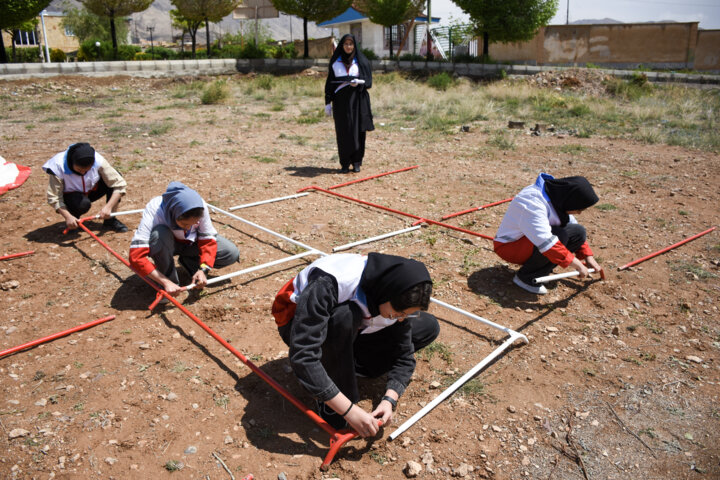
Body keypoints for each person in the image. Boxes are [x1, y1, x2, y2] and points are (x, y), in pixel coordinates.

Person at [271, 253, 439, 437]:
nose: (401, 319)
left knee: (427, 326)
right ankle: (332, 380)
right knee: (346, 316)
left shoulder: (394, 292)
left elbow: (404, 355)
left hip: (357, 324)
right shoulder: (328, 283)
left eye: (406, 314)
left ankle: (353, 364)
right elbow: (303, 356)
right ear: (386, 293)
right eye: (398, 313)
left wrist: (389, 399)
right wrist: (348, 410)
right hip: (298, 323)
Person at [493, 173, 603, 294]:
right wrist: (576, 264)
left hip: (529, 243)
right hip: (509, 247)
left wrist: (588, 256)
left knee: (578, 232)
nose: (579, 213)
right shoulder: (532, 202)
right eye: (579, 209)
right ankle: (526, 278)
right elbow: (546, 242)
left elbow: (573, 228)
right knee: (559, 235)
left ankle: (539, 270)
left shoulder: (557, 198)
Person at [129, 181, 239, 297]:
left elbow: (207, 241)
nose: (189, 227)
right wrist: (165, 282)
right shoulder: (155, 210)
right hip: (165, 244)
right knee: (159, 234)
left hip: (191, 244)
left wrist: (203, 269)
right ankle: (169, 284)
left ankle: (190, 264)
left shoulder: (199, 206)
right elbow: (136, 257)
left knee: (230, 252)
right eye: (185, 224)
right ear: (174, 214)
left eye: (194, 224)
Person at [42, 142, 128, 232]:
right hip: (71, 197)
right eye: (79, 169)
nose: (83, 173)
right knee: (82, 204)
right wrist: (68, 216)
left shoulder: (98, 160)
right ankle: (74, 220)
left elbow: (119, 183)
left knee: (114, 178)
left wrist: (108, 207)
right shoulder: (58, 166)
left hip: (92, 190)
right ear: (72, 162)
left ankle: (110, 220)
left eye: (87, 170)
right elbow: (54, 197)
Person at [324, 34, 374, 174]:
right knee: (343, 132)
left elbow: (368, 81)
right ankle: (345, 163)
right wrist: (328, 102)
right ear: (342, 45)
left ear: (354, 46)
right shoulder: (335, 62)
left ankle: (356, 162)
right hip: (340, 103)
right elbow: (329, 83)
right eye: (346, 44)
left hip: (357, 100)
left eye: (351, 44)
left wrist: (358, 83)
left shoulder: (361, 61)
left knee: (357, 131)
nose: (348, 46)